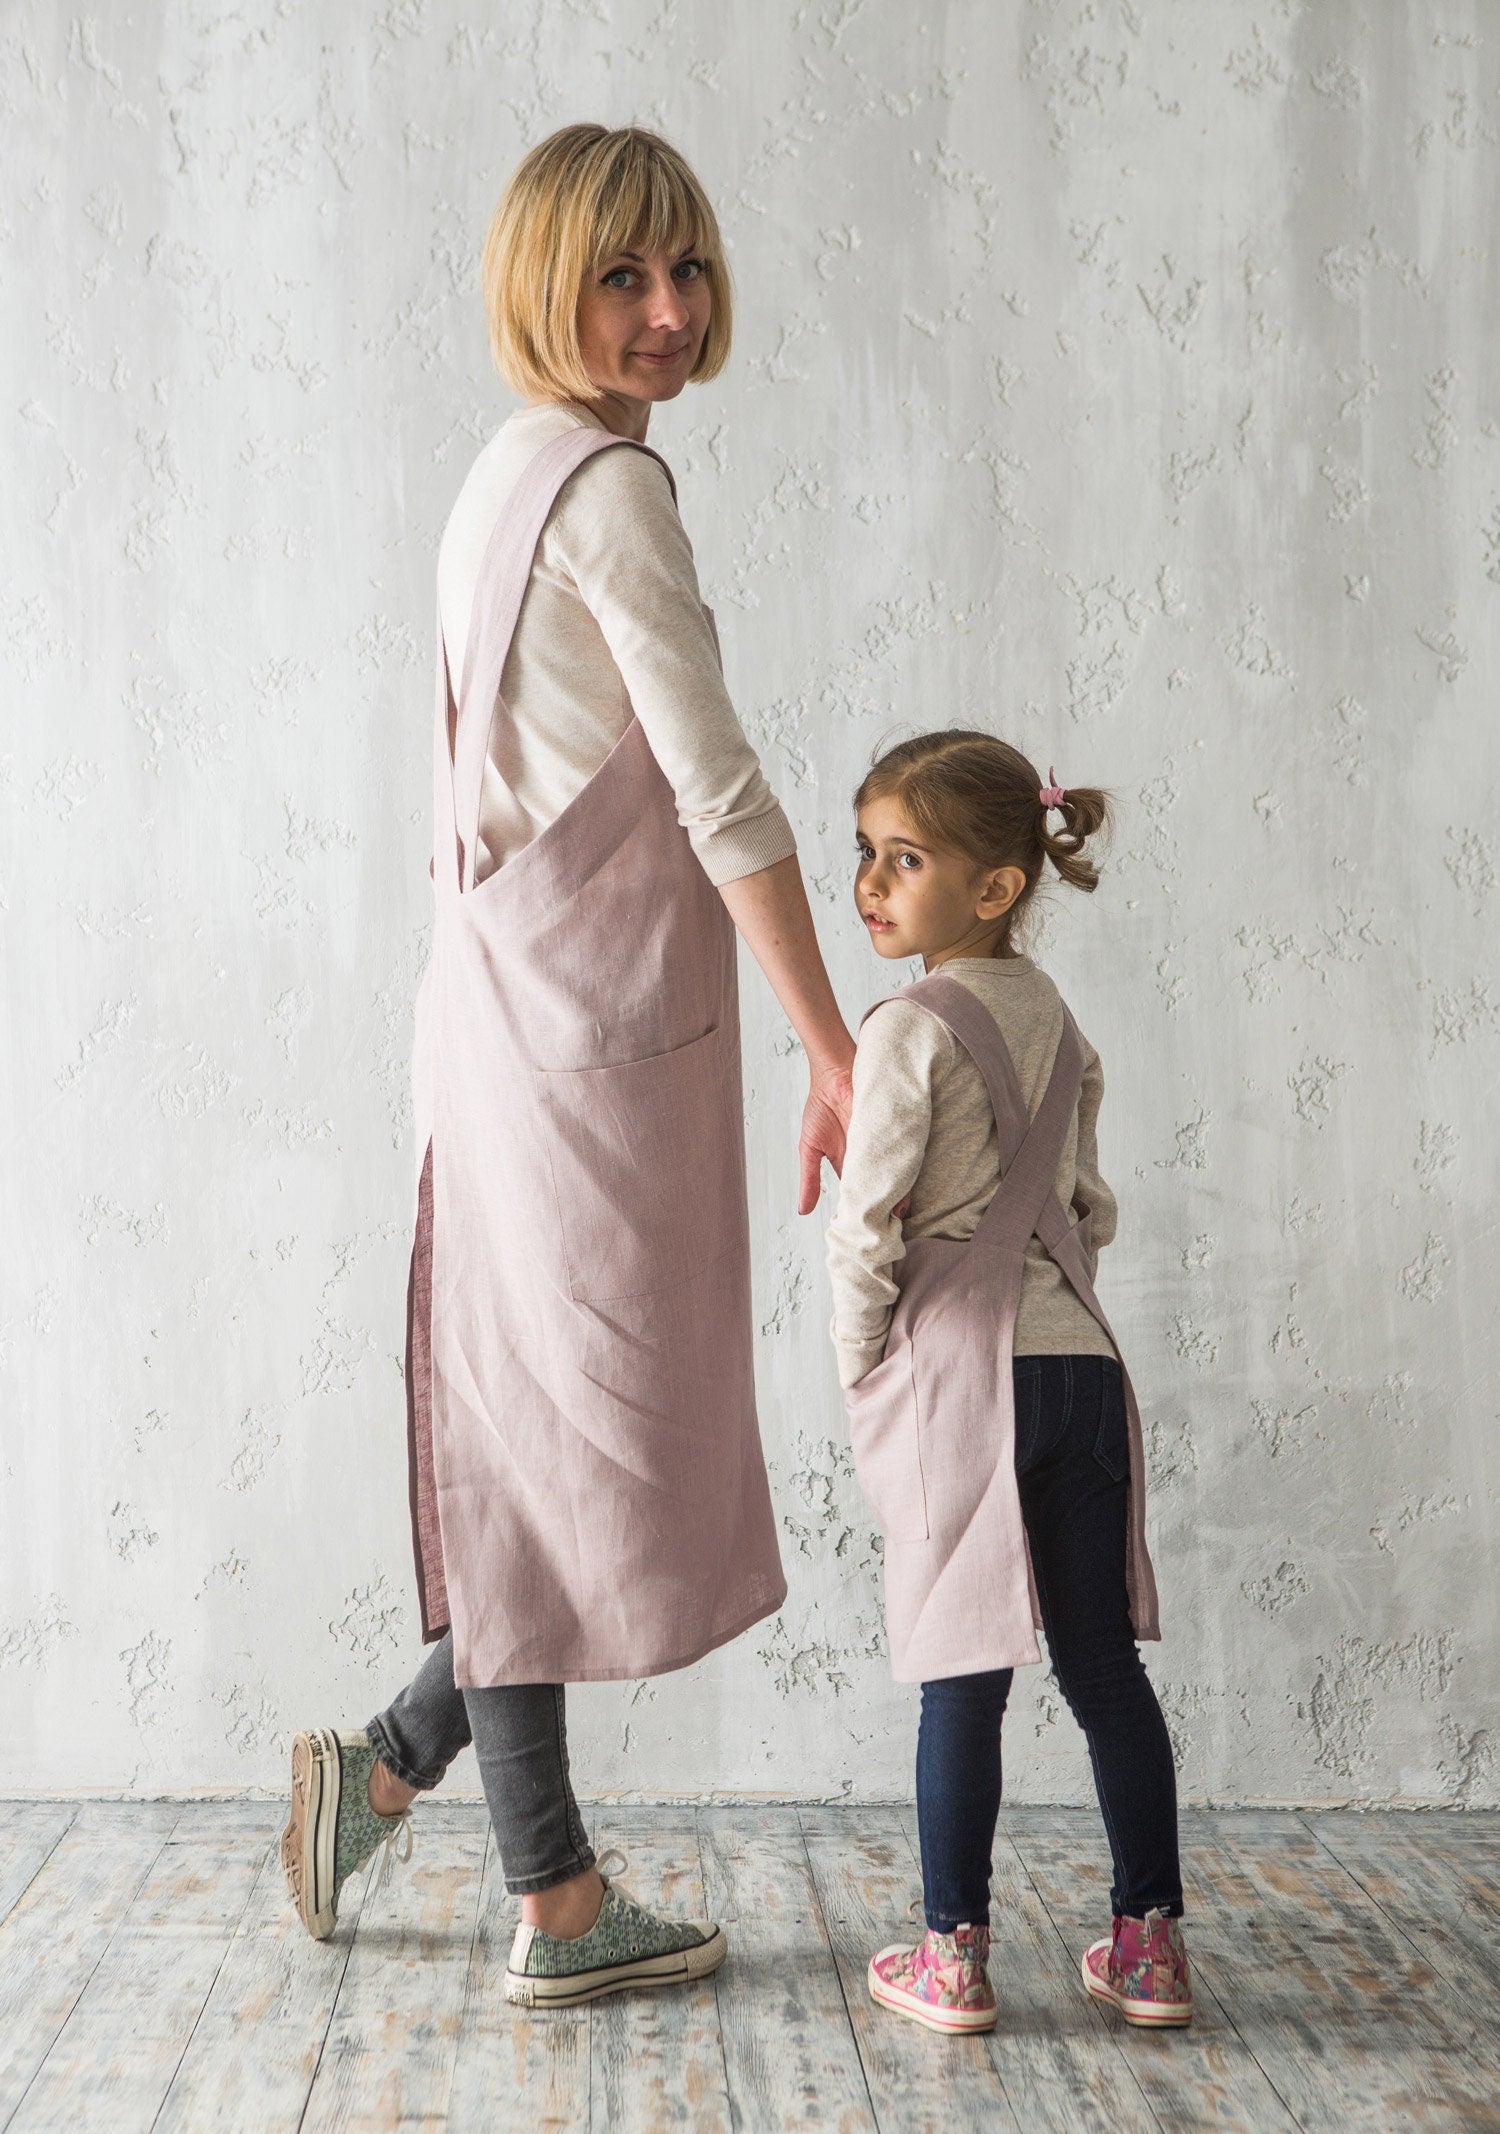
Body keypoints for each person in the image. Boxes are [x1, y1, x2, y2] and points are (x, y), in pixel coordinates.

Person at [280, 124, 855, 2008]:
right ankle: (550, 1903)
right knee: (547, 1467)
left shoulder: (502, 475)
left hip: (504, 1031)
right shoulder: (607, 495)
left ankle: (377, 1779)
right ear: (547, 283)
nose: (669, 312)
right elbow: (720, 791)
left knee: (532, 1454)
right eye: (623, 277)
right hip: (580, 1052)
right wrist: (835, 1044)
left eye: (683, 269)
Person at [826, 732, 1191, 2035]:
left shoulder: (908, 1030)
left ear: (991, 886)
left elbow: (866, 1220)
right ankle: (1149, 1946)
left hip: (967, 1384)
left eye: (903, 858)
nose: (870, 880)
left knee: (962, 1668)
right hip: (1084, 1369)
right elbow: (1086, 1200)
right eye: (866, 853)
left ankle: (953, 1958)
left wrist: (861, 1358)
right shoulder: (1063, 1025)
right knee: (1102, 1670)